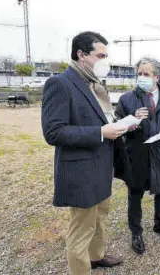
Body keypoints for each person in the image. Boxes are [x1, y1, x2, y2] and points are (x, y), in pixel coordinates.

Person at [41, 32, 124, 275]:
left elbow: (103, 120)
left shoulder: (95, 85)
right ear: (81, 55)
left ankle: (96, 257)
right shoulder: (60, 84)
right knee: (81, 229)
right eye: (101, 56)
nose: (104, 61)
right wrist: (100, 132)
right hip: (81, 172)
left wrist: (120, 125)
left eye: (106, 56)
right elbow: (53, 132)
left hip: (101, 167)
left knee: (100, 219)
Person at [115, 57, 160, 255]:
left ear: (157, 76)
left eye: (146, 74)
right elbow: (117, 125)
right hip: (136, 156)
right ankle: (136, 232)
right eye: (139, 73)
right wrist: (130, 122)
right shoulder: (127, 99)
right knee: (134, 196)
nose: (141, 77)